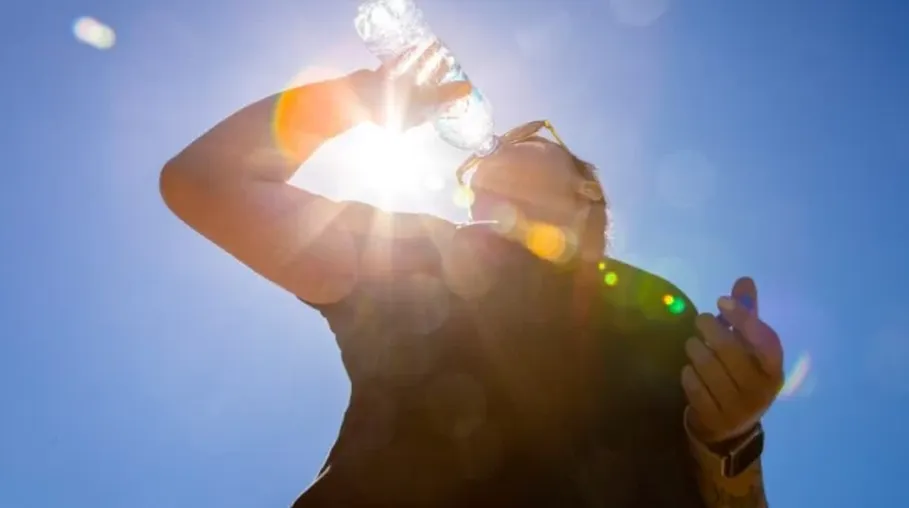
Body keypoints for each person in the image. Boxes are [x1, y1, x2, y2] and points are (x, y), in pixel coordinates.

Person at [160, 45, 785, 507]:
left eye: (527, 136)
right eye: (479, 164)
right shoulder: (424, 254)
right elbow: (206, 183)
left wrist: (729, 436)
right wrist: (346, 100)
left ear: (587, 187)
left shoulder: (659, 305)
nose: (492, 148)